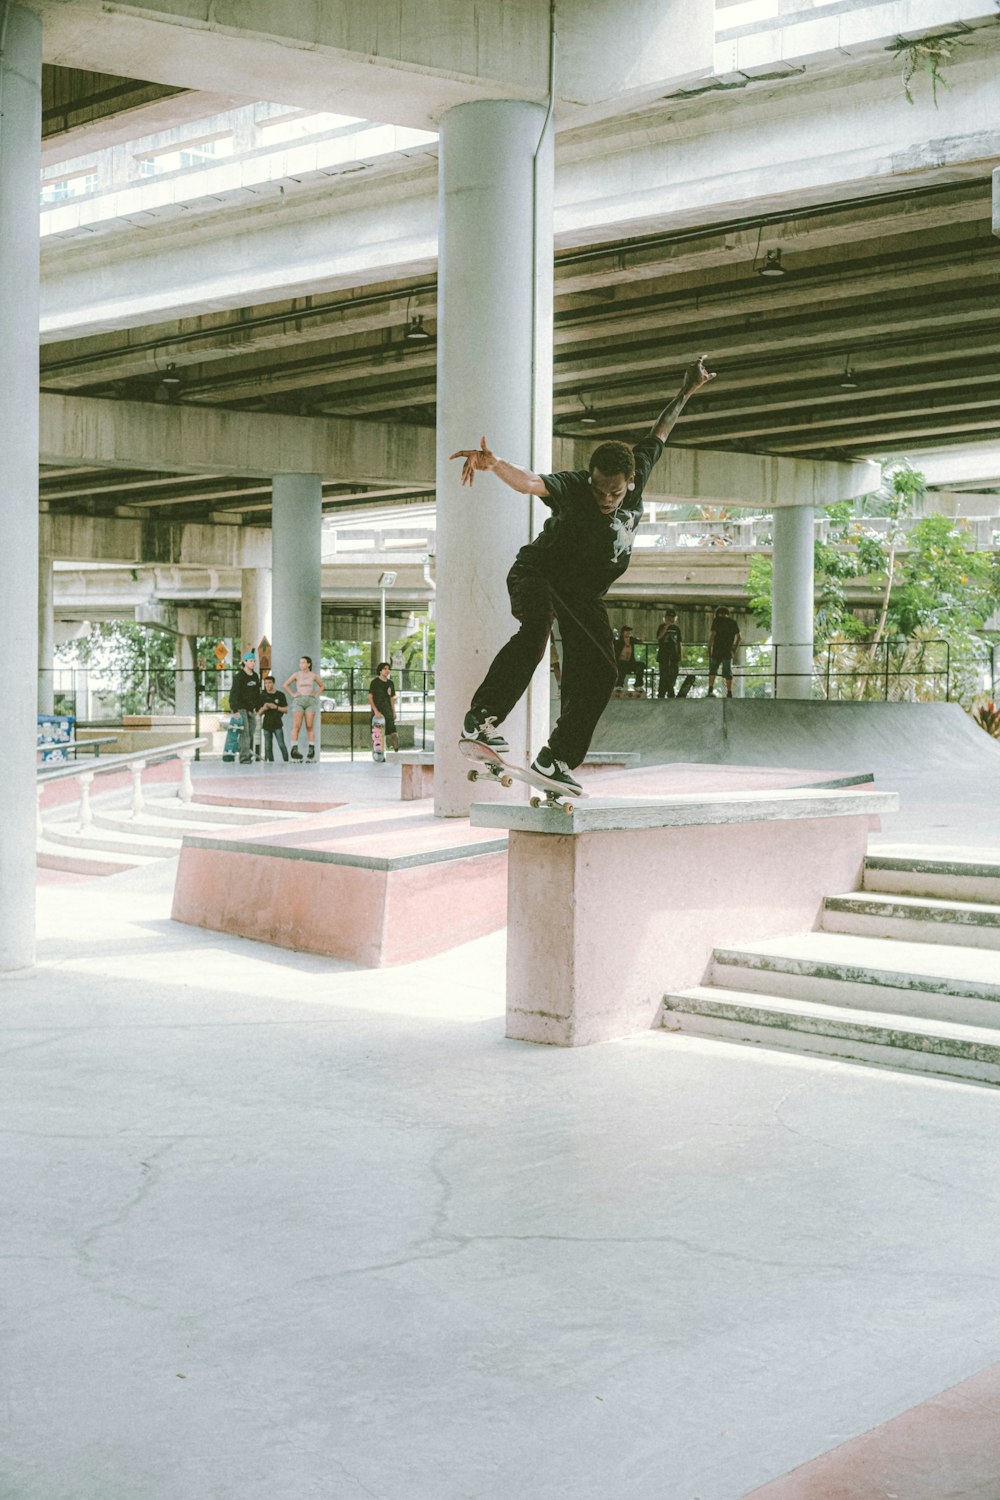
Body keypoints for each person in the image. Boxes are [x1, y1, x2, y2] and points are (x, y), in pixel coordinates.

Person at [451, 356, 716, 792]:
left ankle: (554, 758)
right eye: (598, 489)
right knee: (536, 629)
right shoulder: (575, 487)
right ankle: (481, 718)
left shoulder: (637, 470)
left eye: (613, 492)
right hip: (536, 573)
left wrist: (686, 390)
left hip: (580, 595)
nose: (604, 499)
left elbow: (660, 432)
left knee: (602, 672)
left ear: (630, 481)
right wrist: (495, 465)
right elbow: (532, 482)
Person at [282, 655, 324, 761]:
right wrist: (293, 694)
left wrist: (316, 694)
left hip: (310, 700)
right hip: (299, 700)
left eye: (303, 662)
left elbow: (322, 686)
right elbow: (285, 685)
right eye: (300, 663)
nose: (301, 665)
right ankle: (294, 749)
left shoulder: (313, 675)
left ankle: (311, 749)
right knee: (297, 726)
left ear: (308, 664)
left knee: (309, 726)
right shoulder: (296, 674)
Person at [228, 652, 262, 765]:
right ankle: (244, 758)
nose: (253, 663)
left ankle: (242, 747)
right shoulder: (239, 677)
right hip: (241, 707)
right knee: (245, 732)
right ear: (245, 662)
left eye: (254, 661)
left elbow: (257, 693)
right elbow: (234, 693)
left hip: (251, 708)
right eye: (251, 661)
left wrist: (258, 707)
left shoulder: (255, 676)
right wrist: (235, 710)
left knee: (251, 730)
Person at [707, 607, 741, 698]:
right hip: (728, 651)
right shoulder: (733, 622)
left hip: (717, 650)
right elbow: (739, 638)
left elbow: (713, 635)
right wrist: (734, 649)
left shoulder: (717, 621)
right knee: (728, 672)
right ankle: (729, 693)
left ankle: (710, 690)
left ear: (718, 614)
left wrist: (709, 648)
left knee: (712, 670)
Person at [257, 674, 289, 762]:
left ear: (274, 684)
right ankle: (270, 764)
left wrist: (276, 707)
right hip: (266, 724)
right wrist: (264, 707)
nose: (267, 685)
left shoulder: (280, 695)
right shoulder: (262, 695)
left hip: (277, 723)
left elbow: (286, 710)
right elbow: (258, 713)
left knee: (281, 745)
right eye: (266, 683)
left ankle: (286, 762)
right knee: (267, 747)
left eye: (269, 683)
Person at [368, 661, 399, 751]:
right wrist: (375, 711)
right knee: (378, 735)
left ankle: (396, 751)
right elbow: (370, 697)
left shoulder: (390, 683)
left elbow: (392, 699)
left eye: (388, 669)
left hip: (388, 712)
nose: (387, 671)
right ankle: (378, 753)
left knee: (393, 733)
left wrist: (394, 712)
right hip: (378, 713)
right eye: (385, 669)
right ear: (380, 671)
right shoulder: (375, 682)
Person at [656, 609, 683, 699]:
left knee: (674, 673)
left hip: (674, 654)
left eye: (672, 617)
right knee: (664, 673)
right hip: (663, 654)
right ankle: (665, 693)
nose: (671, 619)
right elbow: (659, 637)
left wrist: (680, 654)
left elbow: (679, 642)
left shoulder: (677, 629)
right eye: (669, 617)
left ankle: (667, 690)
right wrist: (666, 627)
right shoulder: (661, 626)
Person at [614, 626, 644, 693]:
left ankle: (638, 685)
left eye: (629, 631)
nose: (628, 633)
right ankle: (619, 685)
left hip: (630, 662)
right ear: (623, 632)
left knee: (641, 665)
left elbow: (640, 641)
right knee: (622, 667)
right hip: (620, 662)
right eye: (626, 631)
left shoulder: (632, 640)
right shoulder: (619, 641)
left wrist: (639, 639)